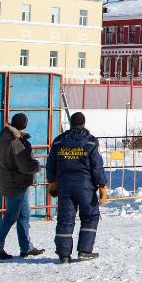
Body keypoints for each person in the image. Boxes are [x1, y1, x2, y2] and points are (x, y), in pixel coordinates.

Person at [46, 112, 107, 264]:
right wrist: (102, 185)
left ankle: (64, 255)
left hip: (64, 186)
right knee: (90, 216)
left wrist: (52, 182)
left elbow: (51, 163)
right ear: (83, 123)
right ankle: (85, 251)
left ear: (71, 123)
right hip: (85, 187)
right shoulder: (90, 142)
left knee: (65, 219)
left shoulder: (59, 141)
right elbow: (96, 166)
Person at [0, 112, 45, 260]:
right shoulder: (14, 141)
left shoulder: (3, 136)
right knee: (11, 217)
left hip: (11, 180)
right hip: (16, 183)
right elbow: (24, 164)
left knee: (24, 214)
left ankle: (26, 247)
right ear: (24, 125)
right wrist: (36, 166)